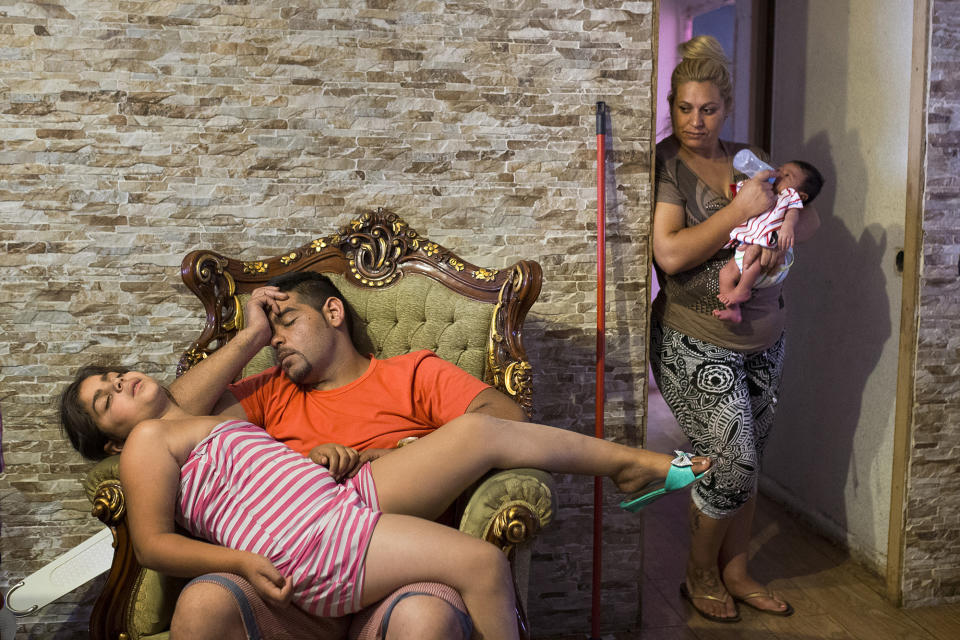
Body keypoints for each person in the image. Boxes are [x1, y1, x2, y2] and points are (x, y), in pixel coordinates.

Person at [60, 366, 711, 640]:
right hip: (307, 542)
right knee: (482, 566)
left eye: (114, 374)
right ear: (109, 437)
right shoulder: (146, 442)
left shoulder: (185, 417)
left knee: (479, 432)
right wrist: (239, 561)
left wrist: (335, 457)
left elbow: (236, 457)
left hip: (336, 499)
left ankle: (632, 466)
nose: (120, 384)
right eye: (105, 399)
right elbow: (151, 545)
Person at [651, 36, 821, 623]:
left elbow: (810, 214)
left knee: (753, 462)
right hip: (694, 337)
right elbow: (669, 255)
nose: (695, 122)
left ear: (727, 107)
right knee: (733, 463)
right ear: (670, 105)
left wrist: (790, 209)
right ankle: (699, 570)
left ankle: (737, 570)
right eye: (684, 108)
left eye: (709, 109)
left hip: (767, 339)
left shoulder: (750, 157)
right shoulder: (666, 165)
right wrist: (740, 212)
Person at [714, 160, 825, 323]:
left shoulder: (789, 198)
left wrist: (787, 227)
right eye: (780, 169)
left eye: (788, 175)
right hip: (747, 247)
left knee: (754, 258)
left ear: (801, 195)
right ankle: (733, 311)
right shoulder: (766, 191)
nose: (779, 174)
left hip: (769, 261)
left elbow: (793, 216)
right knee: (725, 274)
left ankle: (743, 290)